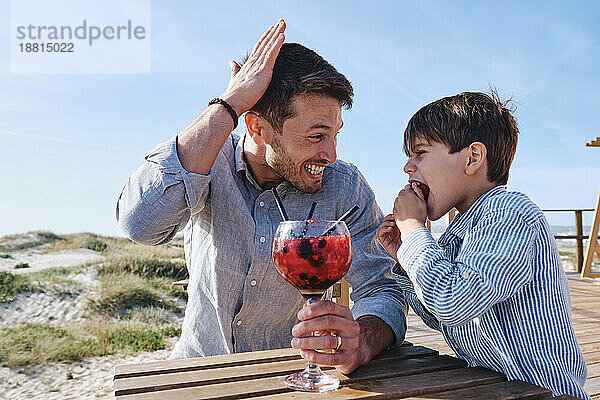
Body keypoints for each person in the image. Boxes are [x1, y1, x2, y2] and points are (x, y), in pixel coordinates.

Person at [116, 20, 406, 374]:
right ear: (256, 127)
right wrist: (229, 104)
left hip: (290, 378)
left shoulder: (345, 187)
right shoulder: (206, 163)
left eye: (335, 134)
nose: (331, 154)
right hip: (198, 373)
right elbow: (139, 225)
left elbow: (382, 289)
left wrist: (364, 341)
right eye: (317, 136)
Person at [378, 91, 589, 399]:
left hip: (543, 392)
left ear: (473, 157)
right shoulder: (459, 230)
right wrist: (403, 258)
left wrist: (412, 229)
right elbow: (441, 316)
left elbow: (452, 302)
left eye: (420, 153)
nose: (408, 167)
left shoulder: (508, 212)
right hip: (497, 388)